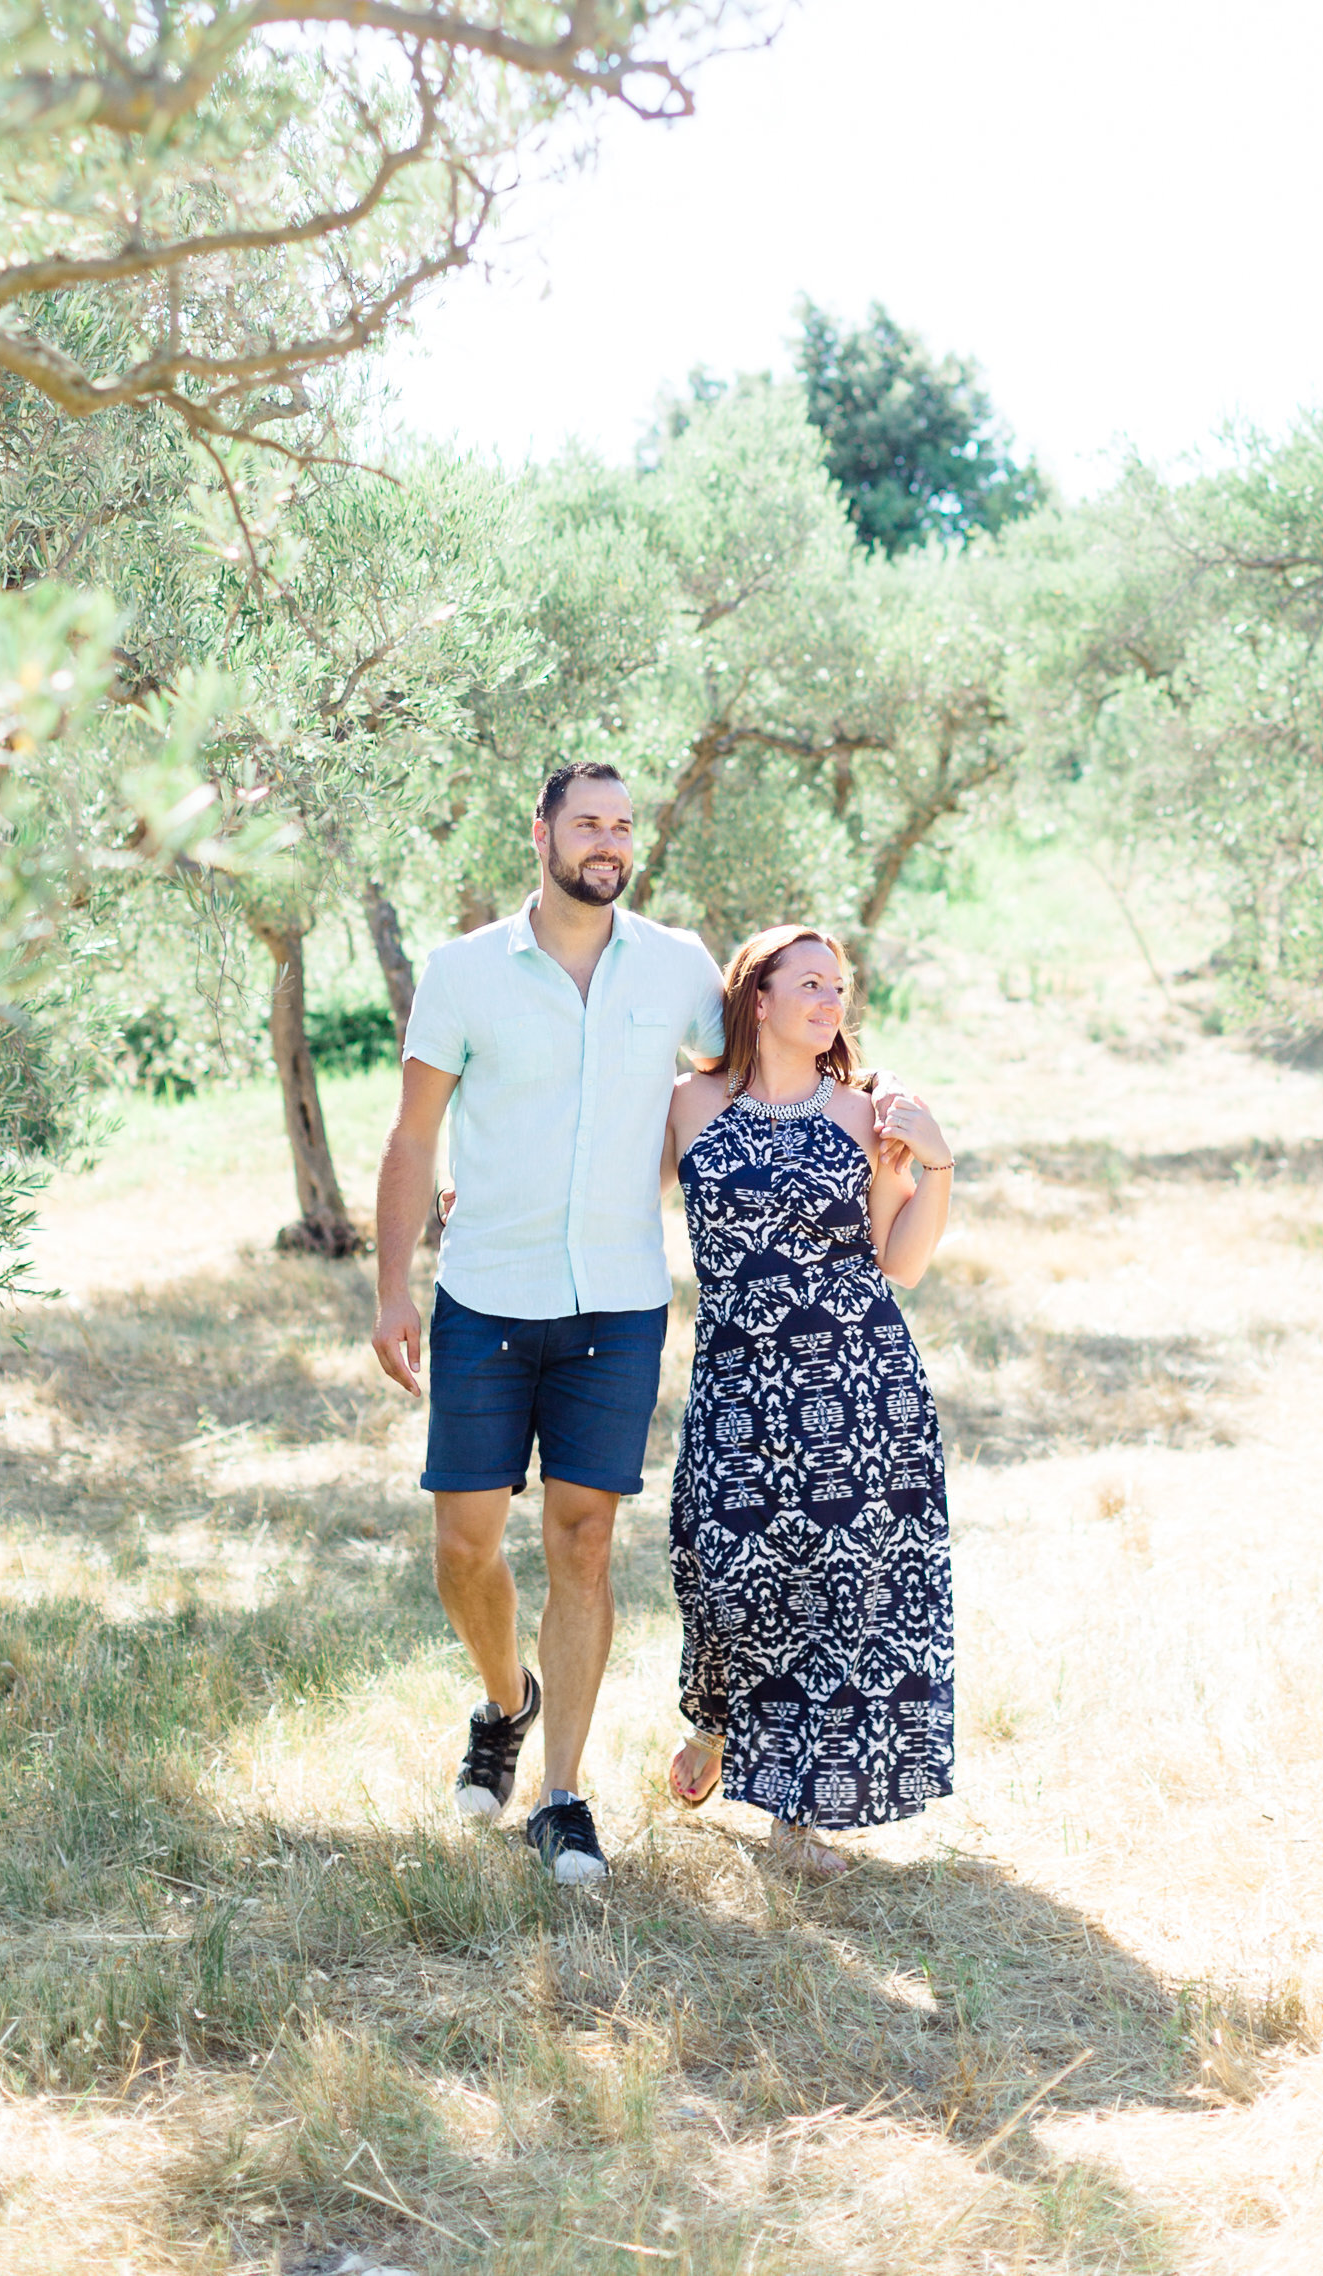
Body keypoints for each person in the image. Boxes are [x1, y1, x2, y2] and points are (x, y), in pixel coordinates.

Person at [370, 762, 724, 1889]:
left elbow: (740, 1076)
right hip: (484, 1294)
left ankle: (563, 1796)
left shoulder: (678, 967)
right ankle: (504, 1698)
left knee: (582, 1542)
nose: (609, 841)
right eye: (587, 822)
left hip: (617, 1300)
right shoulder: (464, 970)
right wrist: (390, 1290)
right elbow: (414, 1137)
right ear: (541, 833)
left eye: (622, 823)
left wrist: (864, 1101)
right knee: (464, 1550)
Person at [663, 925, 956, 1877]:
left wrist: (936, 1168)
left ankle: (793, 1817)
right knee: (724, 1571)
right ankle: (716, 1719)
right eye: (811, 983)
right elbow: (606, 1192)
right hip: (737, 1379)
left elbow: (898, 1262)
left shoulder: (867, 1110)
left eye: (840, 985)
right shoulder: (689, 1103)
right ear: (759, 999)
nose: (832, 1000)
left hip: (853, 1382)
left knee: (832, 1593)